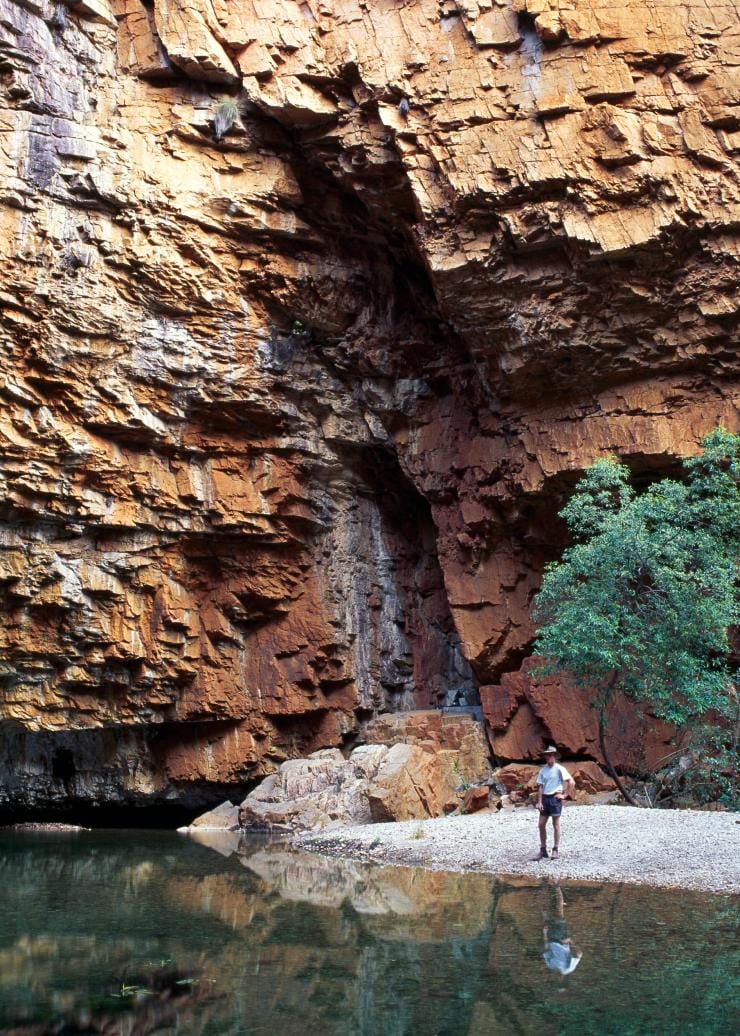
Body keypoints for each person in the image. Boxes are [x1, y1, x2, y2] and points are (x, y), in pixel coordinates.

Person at [536, 745, 574, 860]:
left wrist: (564, 795)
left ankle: (555, 849)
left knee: (555, 824)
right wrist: (539, 802)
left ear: (555, 756)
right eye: (547, 755)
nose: (549, 757)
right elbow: (540, 787)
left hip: (555, 798)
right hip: (545, 798)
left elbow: (571, 782)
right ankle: (543, 849)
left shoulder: (559, 769)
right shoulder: (543, 770)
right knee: (541, 824)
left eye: (551, 755)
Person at [542, 879, 582, 975]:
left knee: (545, 910)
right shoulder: (567, 969)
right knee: (558, 910)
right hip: (561, 938)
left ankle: (545, 884)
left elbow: (546, 950)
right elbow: (579, 954)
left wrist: (545, 934)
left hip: (551, 937)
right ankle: (556, 885)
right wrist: (570, 941)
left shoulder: (551, 966)